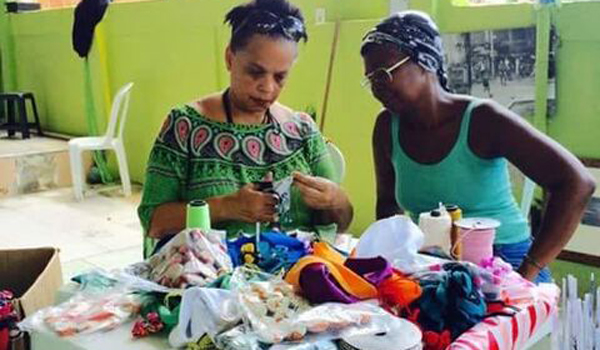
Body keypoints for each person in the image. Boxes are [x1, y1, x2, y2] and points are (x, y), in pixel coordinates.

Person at [360, 11, 595, 282]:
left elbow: (577, 183)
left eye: (383, 74)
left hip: (502, 262)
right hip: (429, 265)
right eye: (370, 79)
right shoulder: (387, 127)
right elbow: (388, 208)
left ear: (425, 61)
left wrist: (529, 270)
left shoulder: (482, 120)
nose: (377, 87)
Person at [138, 0, 353, 257]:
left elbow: (341, 221)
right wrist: (227, 207)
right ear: (230, 58)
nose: (267, 88)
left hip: (296, 278)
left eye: (280, 77)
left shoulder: (302, 130)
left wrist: (335, 200)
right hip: (214, 281)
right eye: (255, 72)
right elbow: (154, 220)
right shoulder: (185, 126)